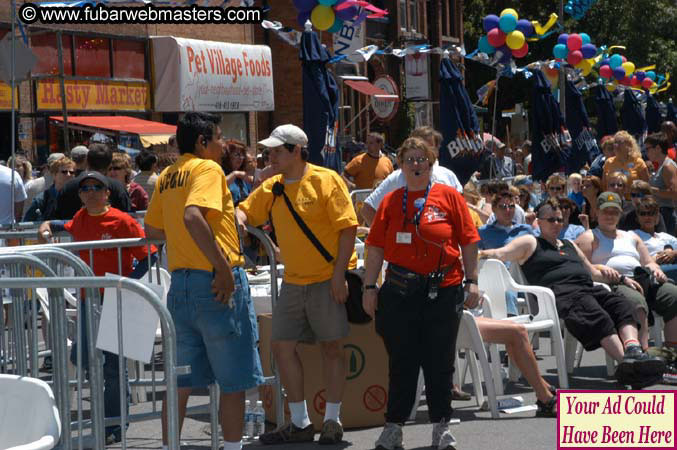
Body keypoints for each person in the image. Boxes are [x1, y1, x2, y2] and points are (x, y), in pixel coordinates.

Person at [144, 112, 264, 450]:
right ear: (202, 142)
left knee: (180, 381)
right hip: (214, 283)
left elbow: (152, 230)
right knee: (234, 378)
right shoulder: (207, 168)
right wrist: (222, 267)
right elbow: (193, 215)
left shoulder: (168, 174)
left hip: (180, 285)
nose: (223, 144)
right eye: (219, 137)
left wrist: (185, 240)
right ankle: (232, 447)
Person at [236, 124, 357, 445]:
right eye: (269, 151)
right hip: (292, 281)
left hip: (326, 278)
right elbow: (245, 210)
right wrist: (239, 217)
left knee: (332, 347)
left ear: (295, 151)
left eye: (276, 151)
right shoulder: (273, 186)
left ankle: (332, 420)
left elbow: (348, 229)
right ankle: (300, 422)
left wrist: (339, 275)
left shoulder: (325, 180)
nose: (270, 156)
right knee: (281, 346)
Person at [362, 137, 480, 450]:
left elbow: (468, 241)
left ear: (431, 164)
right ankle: (393, 427)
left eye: (421, 160)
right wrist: (369, 286)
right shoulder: (391, 200)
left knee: (440, 361)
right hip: (399, 291)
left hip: (443, 289)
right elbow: (374, 247)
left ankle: (441, 426)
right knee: (402, 361)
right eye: (410, 160)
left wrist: (473, 281)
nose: (416, 165)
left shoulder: (449, 197)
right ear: (400, 166)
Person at [480, 198, 666, 387]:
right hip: (560, 294)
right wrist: (473, 254)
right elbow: (499, 253)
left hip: (587, 288)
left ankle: (632, 349)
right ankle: (628, 366)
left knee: (622, 304)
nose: (556, 224)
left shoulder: (569, 244)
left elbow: (593, 273)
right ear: (539, 221)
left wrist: (622, 279)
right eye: (551, 220)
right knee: (596, 314)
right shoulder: (530, 242)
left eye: (560, 220)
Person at [37, 171, 156, 444]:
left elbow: (149, 256)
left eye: (96, 187)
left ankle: (114, 425)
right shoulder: (79, 219)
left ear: (107, 193)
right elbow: (59, 225)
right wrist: (45, 226)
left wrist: (125, 283)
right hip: (87, 301)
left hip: (116, 298)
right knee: (84, 358)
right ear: (80, 195)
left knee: (113, 366)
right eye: (85, 188)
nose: (90, 191)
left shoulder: (123, 220)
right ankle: (111, 413)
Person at [575, 192, 677, 350]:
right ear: (596, 212)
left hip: (642, 279)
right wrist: (600, 267)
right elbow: (582, 267)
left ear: (620, 214)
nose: (610, 216)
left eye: (614, 212)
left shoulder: (631, 236)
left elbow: (648, 262)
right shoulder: (589, 237)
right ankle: (642, 354)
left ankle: (672, 353)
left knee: (673, 294)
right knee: (636, 301)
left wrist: (656, 270)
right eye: (605, 211)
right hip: (613, 284)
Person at [360, 126, 463, 226]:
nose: (423, 152)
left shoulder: (448, 176)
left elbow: (462, 213)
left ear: (437, 150)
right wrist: (384, 237)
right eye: (419, 146)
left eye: (429, 147)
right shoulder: (397, 178)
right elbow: (368, 209)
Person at [479, 192, 536, 316]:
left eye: (511, 206)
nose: (508, 210)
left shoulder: (525, 230)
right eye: (503, 207)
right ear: (494, 209)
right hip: (495, 281)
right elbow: (475, 255)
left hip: (522, 278)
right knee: (506, 291)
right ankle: (511, 326)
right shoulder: (484, 232)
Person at [56, 143, 131, 219]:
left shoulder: (68, 186)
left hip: (73, 230)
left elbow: (57, 217)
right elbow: (126, 215)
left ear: (87, 161)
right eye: (86, 189)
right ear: (109, 165)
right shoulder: (117, 187)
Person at [632, 196, 677, 281]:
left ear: (657, 217)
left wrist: (673, 253)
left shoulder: (664, 236)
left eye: (651, 213)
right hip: (653, 272)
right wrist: (656, 258)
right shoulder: (633, 235)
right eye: (643, 213)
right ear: (637, 217)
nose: (647, 217)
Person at [24, 157, 76, 221]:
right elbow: (28, 222)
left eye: (71, 172)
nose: (68, 175)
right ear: (54, 175)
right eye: (64, 172)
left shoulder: (79, 196)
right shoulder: (41, 200)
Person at [645, 132, 677, 234]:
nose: (646, 152)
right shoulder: (661, 165)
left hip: (666, 214)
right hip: (661, 213)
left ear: (658, 148)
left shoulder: (667, 166)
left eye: (648, 149)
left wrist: (649, 189)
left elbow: (674, 193)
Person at [222, 139, 254, 207]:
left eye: (242, 155)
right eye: (237, 154)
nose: (241, 158)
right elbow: (219, 186)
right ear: (228, 156)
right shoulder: (221, 171)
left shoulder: (242, 175)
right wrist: (235, 174)